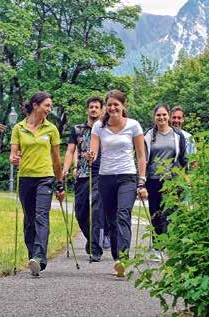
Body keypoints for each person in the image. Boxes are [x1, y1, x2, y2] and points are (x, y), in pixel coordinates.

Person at [89, 90, 148, 277]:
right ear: (106, 107)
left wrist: (142, 180)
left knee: (123, 214)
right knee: (111, 219)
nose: (113, 108)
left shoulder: (134, 125)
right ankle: (117, 257)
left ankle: (123, 258)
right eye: (110, 104)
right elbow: (94, 150)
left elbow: (141, 155)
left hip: (127, 176)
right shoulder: (98, 126)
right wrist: (90, 156)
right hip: (106, 177)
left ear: (124, 106)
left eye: (117, 104)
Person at [10, 91, 65, 277]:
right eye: (47, 105)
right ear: (35, 105)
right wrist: (14, 158)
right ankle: (33, 256)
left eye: (50, 106)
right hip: (25, 178)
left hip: (45, 178)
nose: (50, 109)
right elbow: (13, 154)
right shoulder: (19, 128)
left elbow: (57, 159)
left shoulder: (51, 129)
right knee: (29, 220)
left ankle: (39, 257)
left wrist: (60, 183)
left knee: (41, 216)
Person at [62, 96, 106, 262]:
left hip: (100, 174)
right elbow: (70, 151)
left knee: (96, 210)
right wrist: (67, 169)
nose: (94, 110)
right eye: (91, 107)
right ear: (87, 109)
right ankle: (91, 238)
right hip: (82, 174)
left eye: (97, 107)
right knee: (80, 211)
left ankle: (96, 249)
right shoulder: (77, 129)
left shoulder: (105, 129)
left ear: (102, 110)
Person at [144, 104, 187, 260]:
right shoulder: (148, 135)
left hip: (171, 180)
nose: (161, 118)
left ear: (168, 116)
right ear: (154, 117)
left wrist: (184, 177)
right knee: (155, 212)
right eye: (158, 115)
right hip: (153, 179)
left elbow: (183, 159)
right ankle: (156, 246)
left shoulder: (177, 135)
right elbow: (142, 159)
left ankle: (165, 245)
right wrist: (140, 181)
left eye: (164, 115)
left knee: (169, 213)